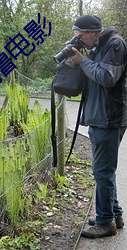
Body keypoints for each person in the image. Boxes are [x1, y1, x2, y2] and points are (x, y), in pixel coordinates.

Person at [69, 15, 127, 238]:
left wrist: (82, 61)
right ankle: (114, 214)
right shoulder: (98, 46)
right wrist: (79, 60)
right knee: (104, 171)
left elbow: (106, 77)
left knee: (102, 171)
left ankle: (105, 223)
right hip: (99, 117)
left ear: (93, 32)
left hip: (109, 118)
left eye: (81, 37)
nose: (80, 41)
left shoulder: (115, 44)